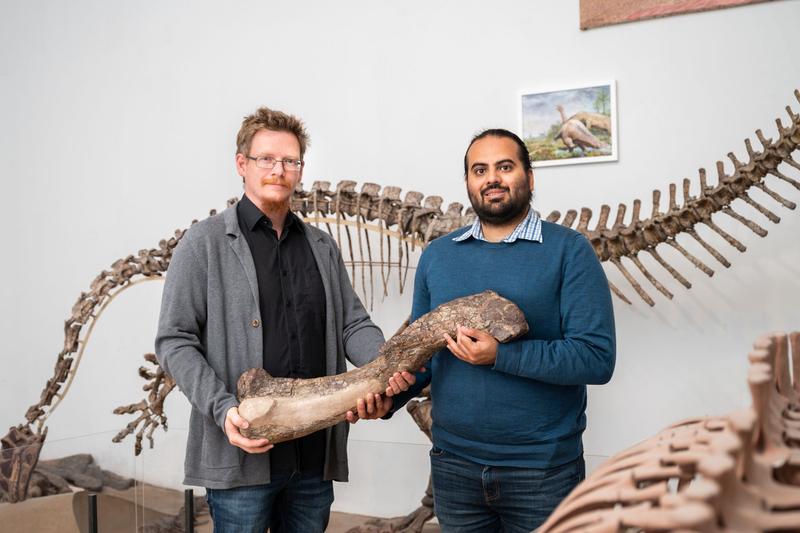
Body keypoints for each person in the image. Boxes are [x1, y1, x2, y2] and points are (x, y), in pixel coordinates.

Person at [156, 107, 412, 533]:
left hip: (313, 462)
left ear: (300, 169)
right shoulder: (201, 245)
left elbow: (352, 324)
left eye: (290, 161)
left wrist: (385, 364)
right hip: (241, 460)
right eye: (267, 159)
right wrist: (223, 412)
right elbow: (174, 340)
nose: (280, 170)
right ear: (242, 164)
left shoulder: (321, 246)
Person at [386, 128, 616, 532]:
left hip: (541, 472)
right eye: (480, 170)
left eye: (504, 167)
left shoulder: (569, 251)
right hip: (453, 467)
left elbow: (596, 358)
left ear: (529, 176)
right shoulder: (438, 257)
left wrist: (501, 356)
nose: (492, 178)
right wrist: (386, 399)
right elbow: (422, 356)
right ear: (469, 182)